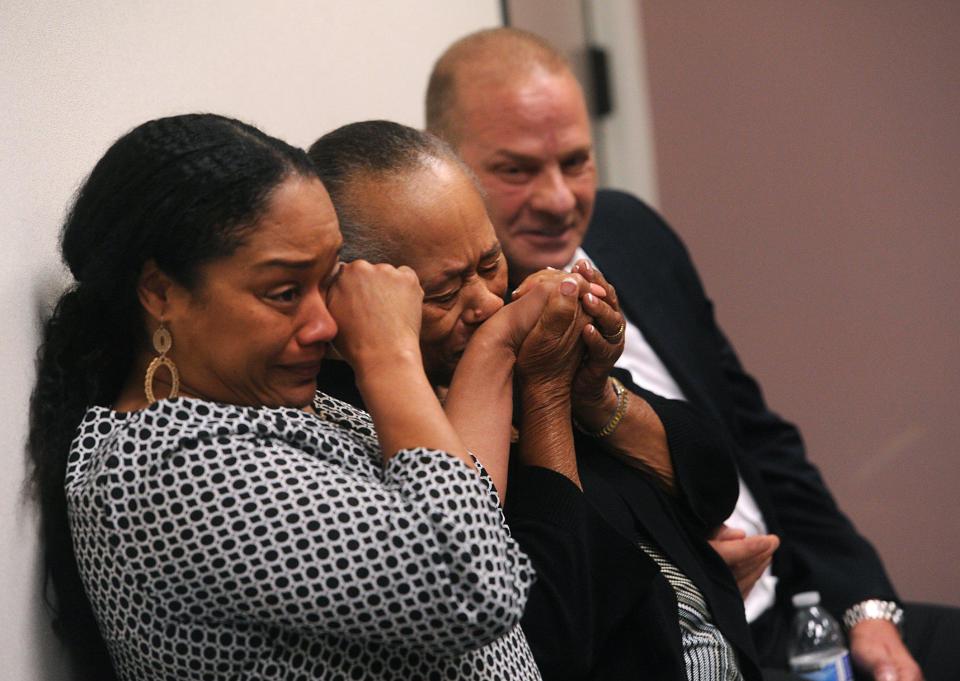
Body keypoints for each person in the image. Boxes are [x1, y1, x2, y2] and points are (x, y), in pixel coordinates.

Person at [425, 27, 960, 681]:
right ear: (447, 170)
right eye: (516, 170)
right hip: (691, 645)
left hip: (801, 610)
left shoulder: (630, 233)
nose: (560, 199)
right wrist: (693, 575)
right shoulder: (458, 336)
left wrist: (866, 605)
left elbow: (760, 440)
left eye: (575, 161)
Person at [27, 113, 544, 681]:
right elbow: (474, 586)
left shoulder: (265, 407)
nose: (325, 324)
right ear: (160, 291)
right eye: (283, 292)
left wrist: (501, 342)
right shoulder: (161, 468)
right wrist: (388, 355)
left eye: (327, 282)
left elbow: (461, 506)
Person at [309, 120, 768, 681]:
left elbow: (714, 485)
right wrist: (542, 393)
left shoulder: (518, 325)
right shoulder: (357, 424)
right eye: (444, 292)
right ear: (359, 296)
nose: (482, 303)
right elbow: (542, 635)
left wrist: (594, 394)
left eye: (489, 263)